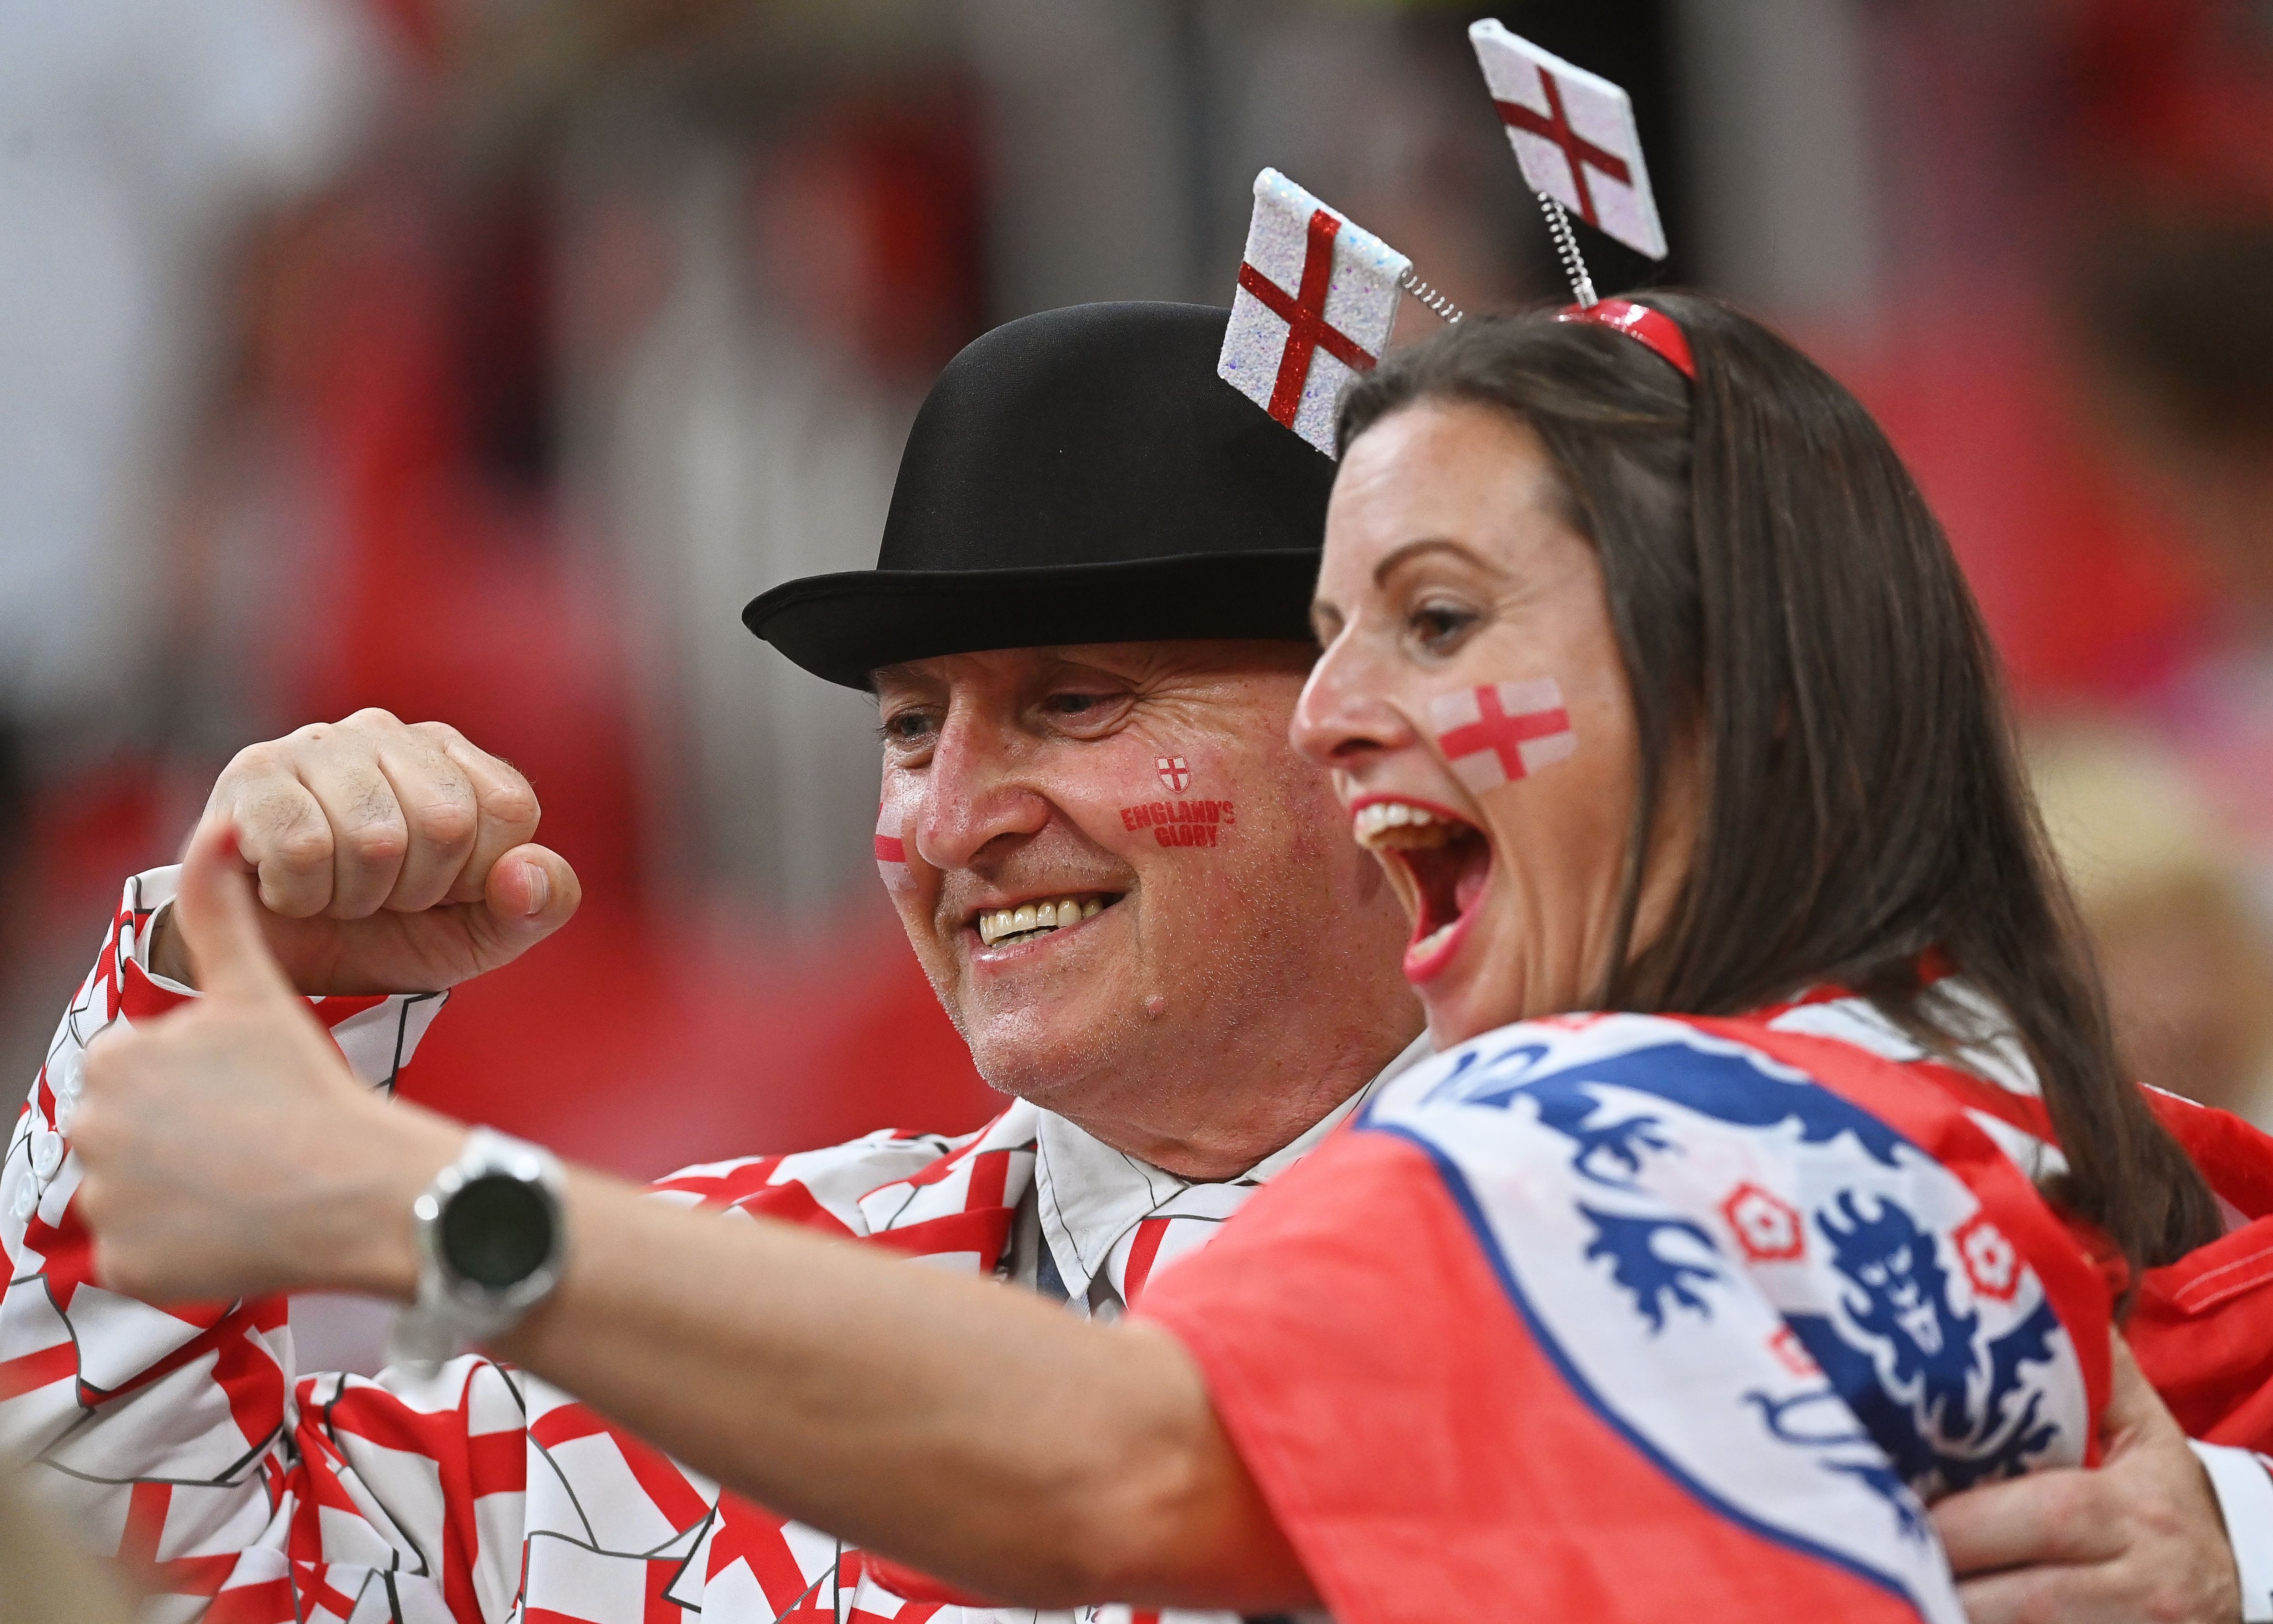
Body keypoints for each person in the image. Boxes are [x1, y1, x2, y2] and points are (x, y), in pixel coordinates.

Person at [39, 296, 2273, 1621]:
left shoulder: (1754, 1153)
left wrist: (2241, 1549)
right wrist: (212, 974)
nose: (949, 813)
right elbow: (110, 1531)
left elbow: (1131, 1464)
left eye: (1079, 700)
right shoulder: (738, 1288)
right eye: (910, 729)